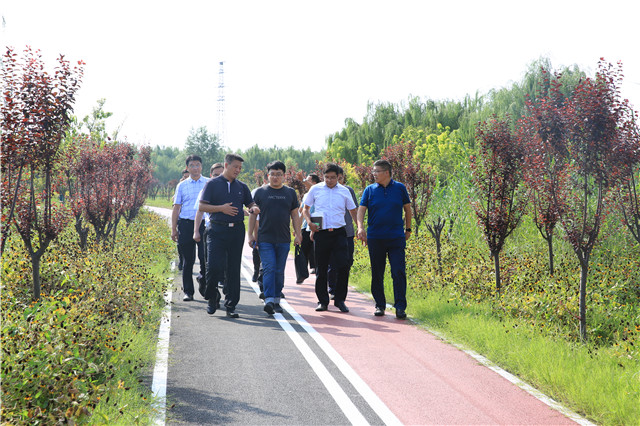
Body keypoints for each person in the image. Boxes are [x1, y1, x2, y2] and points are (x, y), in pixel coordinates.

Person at [198, 153, 257, 318]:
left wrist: (254, 208)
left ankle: (231, 305)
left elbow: (250, 203)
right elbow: (202, 207)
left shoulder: (242, 186)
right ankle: (212, 297)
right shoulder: (212, 184)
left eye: (240, 168)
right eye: (235, 167)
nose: (238, 170)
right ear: (226, 165)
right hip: (216, 230)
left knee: (233, 268)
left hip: (236, 231)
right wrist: (221, 208)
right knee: (214, 266)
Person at [356, 159, 412, 319]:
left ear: (386, 172)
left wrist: (408, 229)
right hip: (375, 238)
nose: (373, 174)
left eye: (376, 171)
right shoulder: (369, 190)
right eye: (373, 171)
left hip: (396, 237)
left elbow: (408, 210)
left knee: (398, 271)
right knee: (377, 272)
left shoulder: (400, 188)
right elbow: (361, 210)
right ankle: (379, 305)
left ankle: (400, 307)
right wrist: (360, 227)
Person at [248, 161, 302, 315]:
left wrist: (298, 234)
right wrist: (250, 234)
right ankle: (269, 300)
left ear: (284, 176)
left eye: (279, 174)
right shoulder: (260, 192)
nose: (275, 177)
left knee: (279, 271)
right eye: (272, 174)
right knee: (269, 268)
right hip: (265, 239)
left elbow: (295, 215)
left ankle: (277, 299)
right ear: (268, 176)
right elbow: (253, 215)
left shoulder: (290, 193)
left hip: (284, 239)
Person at [303, 163, 357, 313]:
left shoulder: (344, 191)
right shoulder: (316, 189)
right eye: (326, 177)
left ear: (338, 177)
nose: (329, 180)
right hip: (322, 233)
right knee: (321, 268)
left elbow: (353, 210)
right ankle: (322, 301)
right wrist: (309, 223)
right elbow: (306, 209)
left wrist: (360, 227)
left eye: (333, 177)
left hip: (339, 233)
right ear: (323, 176)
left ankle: (340, 300)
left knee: (343, 266)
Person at [171, 156, 209, 301]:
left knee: (205, 258)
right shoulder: (182, 185)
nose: (195, 168)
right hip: (186, 225)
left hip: (204, 225)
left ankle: (203, 283)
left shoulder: (208, 183)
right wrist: (173, 229)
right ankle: (188, 291)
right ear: (187, 168)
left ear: (201, 166)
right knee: (188, 260)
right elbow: (176, 208)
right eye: (192, 165)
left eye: (197, 165)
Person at [193, 162, 224, 298]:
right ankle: (212, 292)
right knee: (210, 264)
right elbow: (199, 212)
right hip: (211, 231)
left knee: (224, 265)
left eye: (221, 174)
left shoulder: (231, 189)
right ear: (211, 175)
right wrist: (196, 231)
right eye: (216, 175)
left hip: (228, 232)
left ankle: (222, 290)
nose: (218, 177)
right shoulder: (206, 190)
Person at [327, 166, 358, 299]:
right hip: (329, 233)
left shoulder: (348, 191)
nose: (336, 181)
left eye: (339, 179)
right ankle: (333, 288)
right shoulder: (322, 190)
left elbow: (354, 210)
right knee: (332, 262)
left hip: (347, 232)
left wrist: (360, 227)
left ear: (342, 178)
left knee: (347, 261)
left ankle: (340, 288)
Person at [297, 173, 320, 281]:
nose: (305, 182)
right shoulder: (306, 195)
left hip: (317, 225)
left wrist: (303, 179)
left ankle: (318, 272)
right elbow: (301, 211)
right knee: (303, 251)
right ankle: (302, 274)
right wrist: (297, 228)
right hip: (305, 226)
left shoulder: (318, 191)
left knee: (316, 251)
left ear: (314, 183)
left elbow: (313, 188)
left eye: (308, 180)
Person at [176, 168, 190, 271]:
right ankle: (182, 260)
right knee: (181, 242)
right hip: (181, 218)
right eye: (185, 177)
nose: (186, 178)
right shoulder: (181, 185)